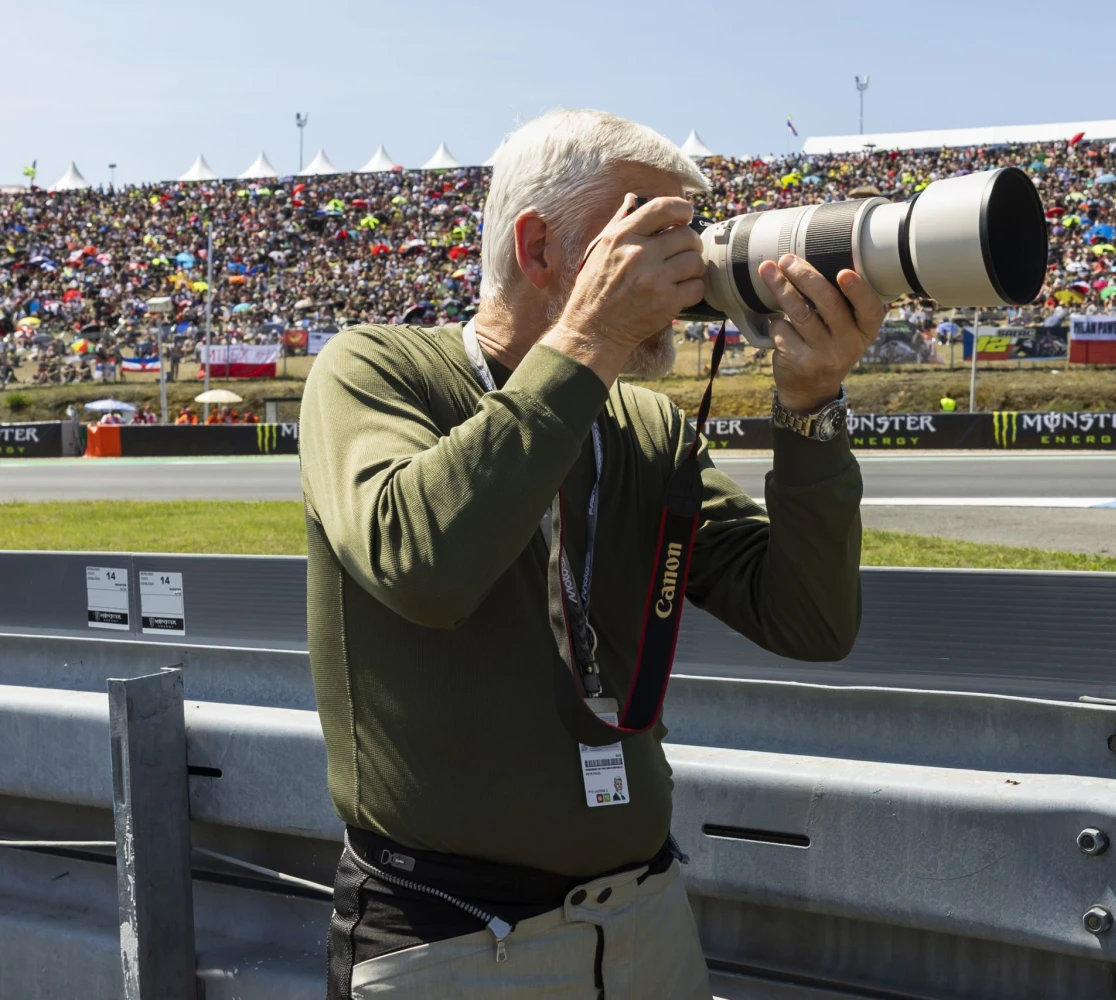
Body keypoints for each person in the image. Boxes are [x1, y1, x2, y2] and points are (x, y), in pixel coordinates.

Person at [300, 110, 879, 1000]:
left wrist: (810, 407)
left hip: (643, 921)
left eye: (689, 235)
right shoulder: (376, 371)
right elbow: (422, 564)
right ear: (538, 248)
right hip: (450, 934)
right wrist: (588, 342)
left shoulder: (643, 427)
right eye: (648, 232)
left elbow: (810, 620)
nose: (684, 269)